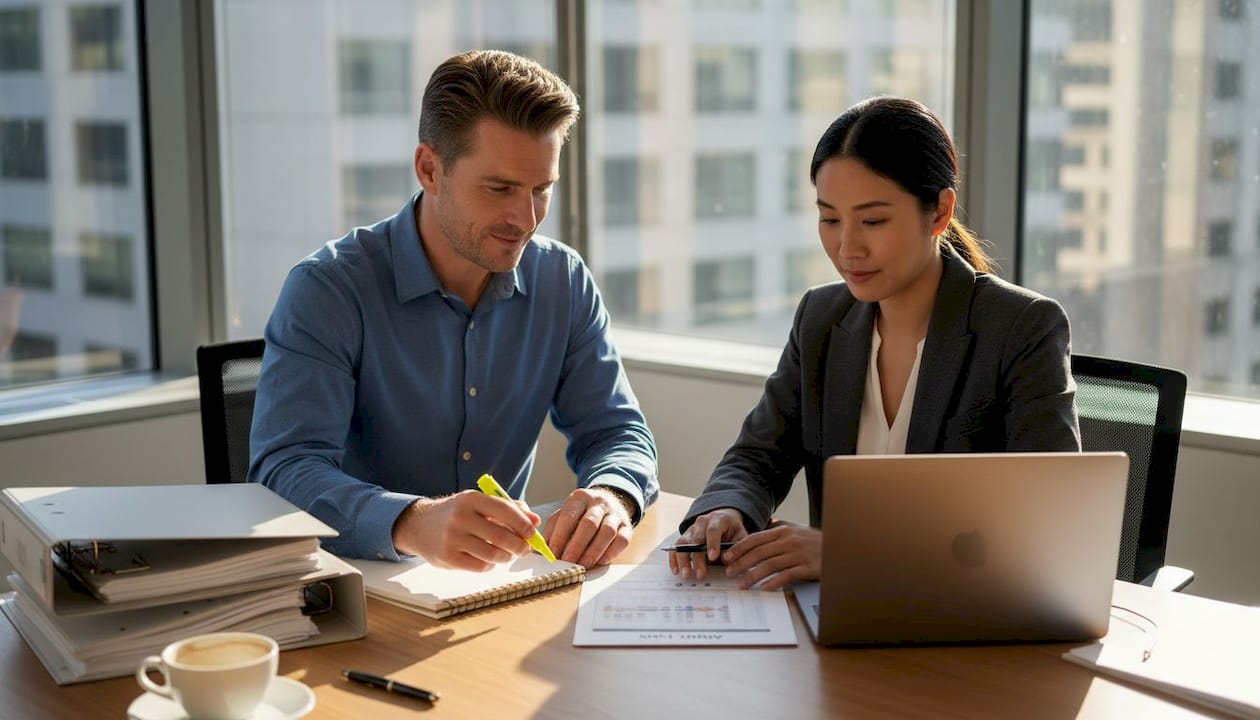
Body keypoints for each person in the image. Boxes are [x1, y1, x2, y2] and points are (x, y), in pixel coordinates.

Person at [250, 50, 658, 571]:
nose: (525, 218)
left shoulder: (563, 280)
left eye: (541, 190)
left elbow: (618, 433)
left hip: (493, 594)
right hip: (355, 586)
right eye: (500, 188)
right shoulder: (328, 288)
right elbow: (283, 471)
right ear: (429, 169)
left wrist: (612, 496)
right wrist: (411, 522)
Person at [669, 96, 1080, 590]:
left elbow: (1045, 523)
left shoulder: (1021, 329)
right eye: (830, 219)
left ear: (939, 212)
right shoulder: (822, 318)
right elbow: (759, 455)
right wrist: (725, 508)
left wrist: (851, 553)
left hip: (965, 616)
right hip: (842, 620)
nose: (847, 248)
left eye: (873, 221)